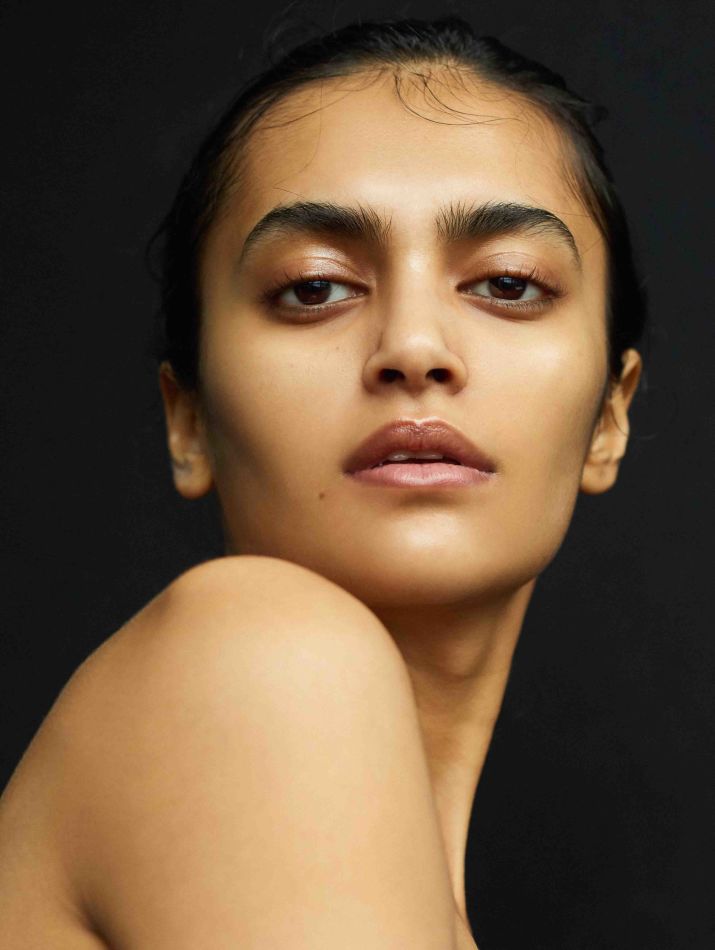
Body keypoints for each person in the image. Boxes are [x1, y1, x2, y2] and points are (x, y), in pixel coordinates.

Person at [0, 16, 646, 949]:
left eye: (506, 284)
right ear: (188, 420)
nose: (413, 346)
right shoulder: (258, 652)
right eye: (314, 287)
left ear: (609, 416)